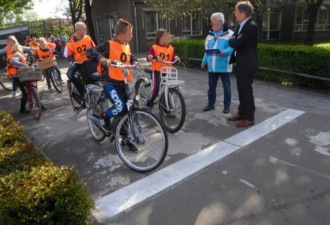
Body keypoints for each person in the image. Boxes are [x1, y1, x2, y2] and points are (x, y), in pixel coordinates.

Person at [89, 18, 137, 132]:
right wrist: (102, 59)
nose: (132, 36)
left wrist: (135, 62)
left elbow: (129, 56)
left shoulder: (126, 45)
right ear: (120, 34)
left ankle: (124, 138)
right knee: (120, 107)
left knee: (126, 108)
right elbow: (91, 51)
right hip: (109, 81)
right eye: (130, 33)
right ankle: (104, 116)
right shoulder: (109, 44)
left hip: (122, 80)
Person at [228, 1, 259, 127]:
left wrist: (232, 40)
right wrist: (234, 39)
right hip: (240, 63)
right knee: (241, 90)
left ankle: (250, 117)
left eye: (236, 11)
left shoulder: (251, 26)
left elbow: (237, 43)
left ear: (243, 13)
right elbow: (235, 39)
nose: (234, 14)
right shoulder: (241, 25)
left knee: (246, 91)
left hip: (247, 64)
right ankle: (242, 113)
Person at [201, 12, 234, 114]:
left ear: (221, 23)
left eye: (214, 24)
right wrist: (204, 61)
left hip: (224, 66)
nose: (213, 26)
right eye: (212, 24)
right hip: (212, 67)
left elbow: (233, 48)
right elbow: (207, 50)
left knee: (227, 87)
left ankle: (227, 106)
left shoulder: (230, 34)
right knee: (211, 88)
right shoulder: (210, 35)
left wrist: (225, 52)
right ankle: (211, 104)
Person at [145, 29, 177, 110]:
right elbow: (149, 57)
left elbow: (173, 57)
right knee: (156, 89)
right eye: (165, 36)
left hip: (167, 71)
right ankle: (149, 105)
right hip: (157, 71)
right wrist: (153, 57)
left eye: (167, 36)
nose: (167, 37)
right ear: (160, 37)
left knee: (168, 90)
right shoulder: (154, 47)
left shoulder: (170, 47)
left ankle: (166, 107)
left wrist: (177, 58)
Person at [66, 22, 97, 105]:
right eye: (84, 28)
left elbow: (94, 48)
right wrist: (70, 62)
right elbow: (69, 54)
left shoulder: (88, 38)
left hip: (89, 60)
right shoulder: (71, 43)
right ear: (78, 30)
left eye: (85, 27)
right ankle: (82, 91)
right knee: (70, 74)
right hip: (78, 62)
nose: (86, 29)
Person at [7, 44, 30, 114]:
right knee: (26, 92)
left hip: (16, 76)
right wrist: (24, 65)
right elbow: (13, 61)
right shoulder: (17, 54)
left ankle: (22, 109)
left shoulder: (12, 54)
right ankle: (22, 109)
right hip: (20, 76)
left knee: (26, 91)